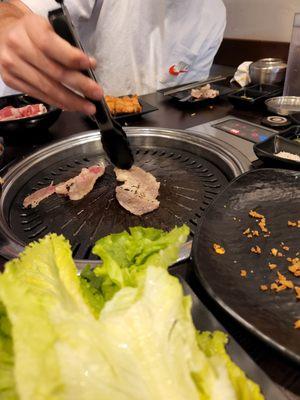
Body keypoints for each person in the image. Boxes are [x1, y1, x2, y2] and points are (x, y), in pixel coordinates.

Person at [0, 0, 226, 115]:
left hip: (153, 132)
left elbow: (188, 100)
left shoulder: (213, 14)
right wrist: (8, 24)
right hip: (74, 121)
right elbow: (16, 9)